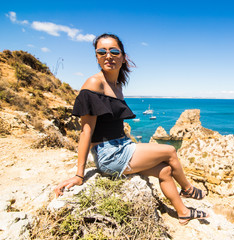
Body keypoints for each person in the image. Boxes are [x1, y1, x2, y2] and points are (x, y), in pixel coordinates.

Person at [54, 33, 209, 225]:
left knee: (165, 171)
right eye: (101, 52)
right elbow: (86, 131)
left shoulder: (117, 86)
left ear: (122, 56)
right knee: (169, 151)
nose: (107, 55)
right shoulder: (94, 83)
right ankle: (188, 189)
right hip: (109, 154)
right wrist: (79, 174)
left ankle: (183, 212)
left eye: (113, 51)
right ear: (96, 57)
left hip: (122, 146)